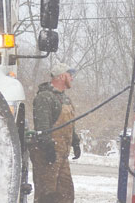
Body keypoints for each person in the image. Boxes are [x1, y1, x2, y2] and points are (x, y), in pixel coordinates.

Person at [30, 63, 81, 203]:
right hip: (47, 154)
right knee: (47, 195)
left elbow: (69, 124)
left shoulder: (65, 98)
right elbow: (42, 126)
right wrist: (48, 148)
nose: (72, 78)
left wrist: (75, 142)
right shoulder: (45, 97)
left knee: (66, 194)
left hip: (61, 156)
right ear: (62, 76)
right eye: (70, 75)